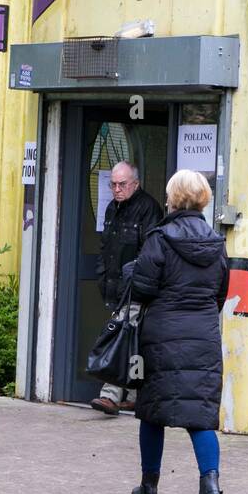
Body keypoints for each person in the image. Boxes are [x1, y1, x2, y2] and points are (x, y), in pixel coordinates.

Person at [126, 169, 229, 494]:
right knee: (200, 416)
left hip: (162, 335)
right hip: (203, 336)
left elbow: (142, 288)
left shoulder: (160, 237)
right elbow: (219, 293)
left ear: (174, 198)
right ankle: (211, 487)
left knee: (152, 410)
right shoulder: (217, 242)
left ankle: (149, 486)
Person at [91, 161, 164, 416]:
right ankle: (134, 394)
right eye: (113, 184)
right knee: (133, 339)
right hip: (115, 287)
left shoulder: (148, 209)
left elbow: (150, 252)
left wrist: (137, 283)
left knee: (120, 338)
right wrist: (103, 276)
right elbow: (106, 247)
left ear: (136, 183)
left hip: (135, 288)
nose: (116, 189)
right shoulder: (112, 208)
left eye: (122, 184)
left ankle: (109, 395)